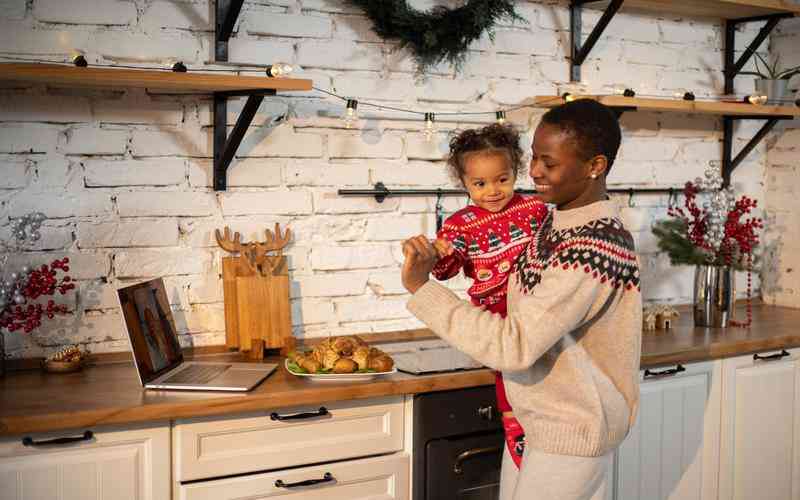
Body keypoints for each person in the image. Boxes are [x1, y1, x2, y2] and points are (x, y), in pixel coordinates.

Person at [401, 99, 642, 500]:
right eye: (533, 158)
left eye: (549, 163)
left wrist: (421, 288)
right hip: (542, 421)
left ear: (594, 166)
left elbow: (514, 345)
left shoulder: (592, 245)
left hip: (570, 429)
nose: (534, 172)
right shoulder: (552, 222)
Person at [431, 123, 548, 468]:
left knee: (540, 360)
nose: (492, 191)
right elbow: (447, 271)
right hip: (492, 308)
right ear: (465, 183)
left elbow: (554, 249)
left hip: (534, 301)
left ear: (516, 171)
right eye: (479, 184)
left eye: (502, 179)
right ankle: (513, 423)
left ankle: (540, 416)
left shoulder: (534, 210)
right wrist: (442, 255)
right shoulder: (459, 225)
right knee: (506, 366)